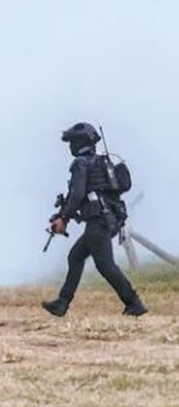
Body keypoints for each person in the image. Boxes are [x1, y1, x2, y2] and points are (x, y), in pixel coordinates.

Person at [42, 123, 147, 317]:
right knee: (75, 257)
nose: (71, 146)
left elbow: (78, 194)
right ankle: (62, 303)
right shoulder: (100, 163)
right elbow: (85, 196)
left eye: (73, 141)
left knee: (105, 265)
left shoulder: (81, 163)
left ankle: (134, 302)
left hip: (99, 221)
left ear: (81, 142)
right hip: (110, 219)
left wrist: (64, 218)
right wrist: (64, 214)